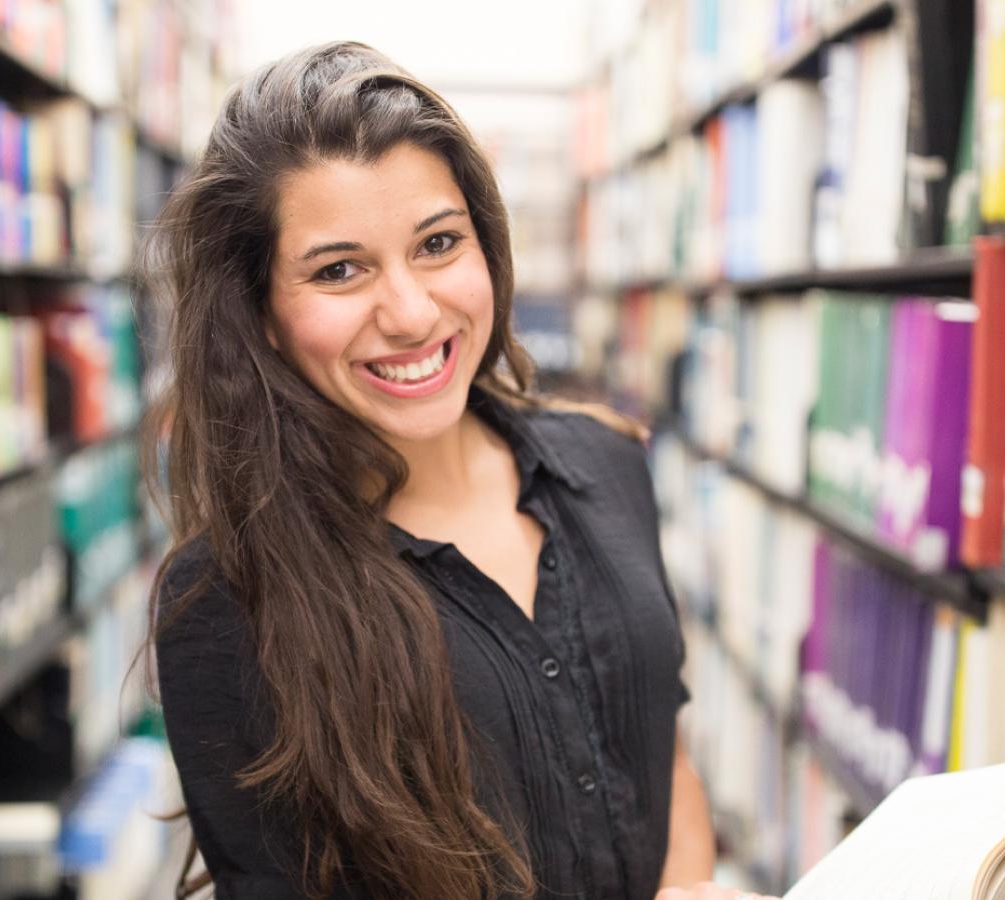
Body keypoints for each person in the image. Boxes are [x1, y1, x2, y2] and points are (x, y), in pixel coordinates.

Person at [145, 41, 771, 900]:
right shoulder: (225, 600)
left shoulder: (608, 463)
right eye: (339, 269)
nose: (410, 312)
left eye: (439, 243)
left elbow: (661, 751)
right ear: (261, 316)